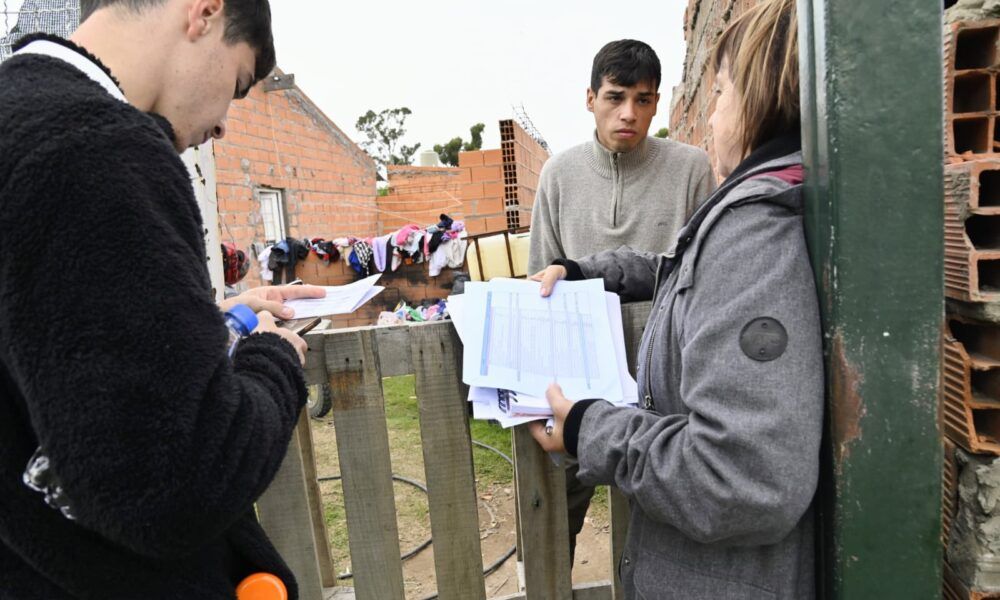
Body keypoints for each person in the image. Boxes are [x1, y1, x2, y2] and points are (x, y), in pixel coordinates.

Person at [0, 0, 326, 597]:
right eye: (237, 83)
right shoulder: (98, 151)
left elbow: (56, 347)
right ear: (204, 12)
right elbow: (179, 483)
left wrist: (206, 321)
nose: (223, 125)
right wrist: (273, 357)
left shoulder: (18, 119)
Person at [530, 1, 823, 598]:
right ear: (590, 99)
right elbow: (679, 269)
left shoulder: (751, 233)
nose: (710, 115)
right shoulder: (756, 207)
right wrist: (585, 270)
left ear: (758, 98)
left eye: (720, 92)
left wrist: (591, 427)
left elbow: (740, 478)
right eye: (615, 97)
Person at [527, 38, 714, 564]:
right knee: (552, 522)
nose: (629, 113)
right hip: (579, 384)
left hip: (667, 389)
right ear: (590, 99)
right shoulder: (558, 175)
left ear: (656, 104)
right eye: (615, 97)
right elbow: (540, 281)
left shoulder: (692, 168)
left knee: (666, 528)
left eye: (643, 99)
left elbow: (703, 276)